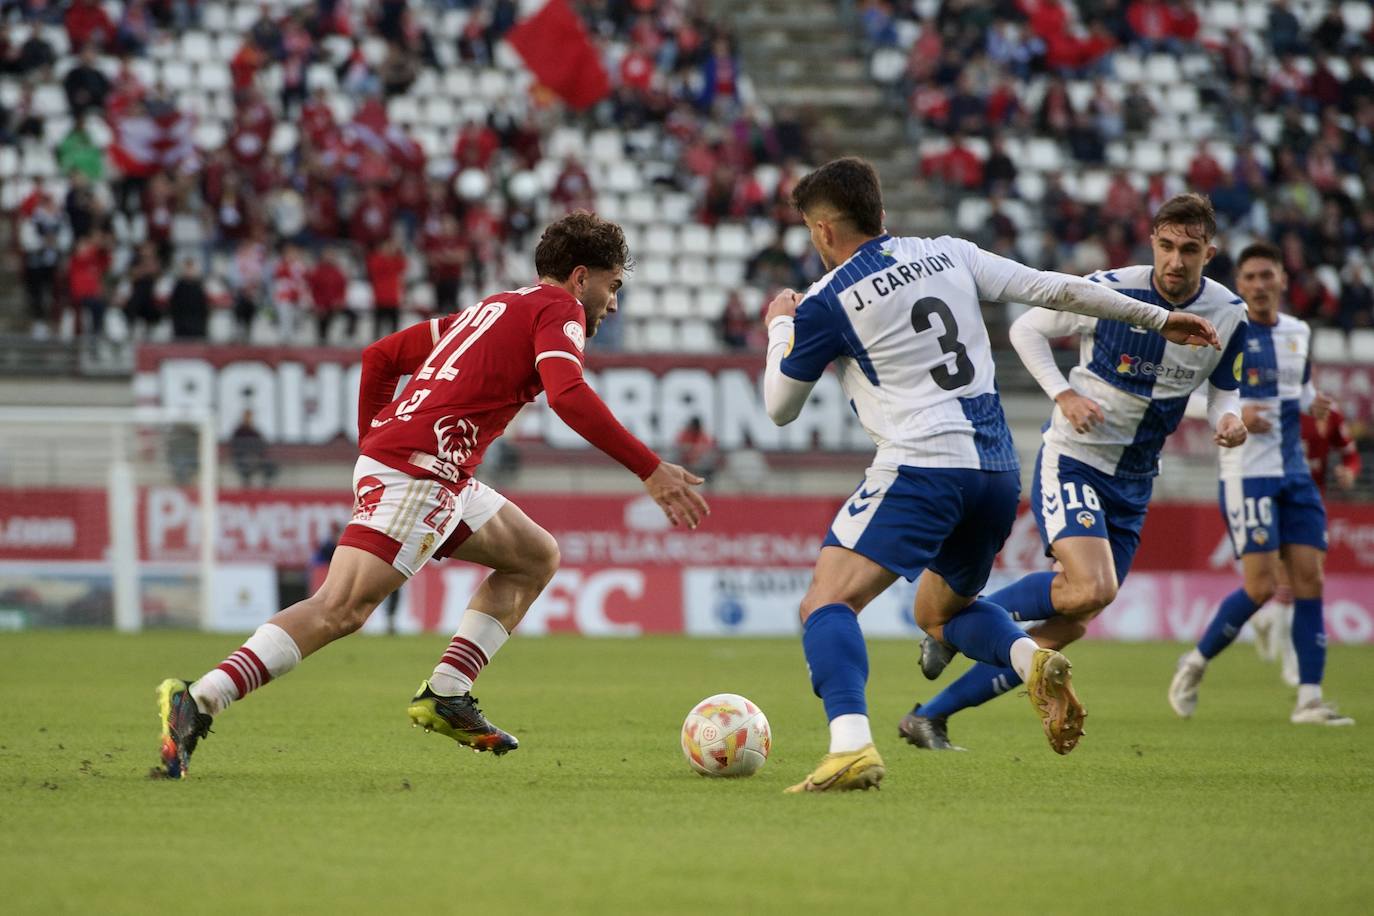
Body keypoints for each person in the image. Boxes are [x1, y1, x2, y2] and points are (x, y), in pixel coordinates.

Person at [155, 211, 709, 779]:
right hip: (420, 471)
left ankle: (447, 690)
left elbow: (380, 357)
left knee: (534, 556)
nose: (612, 304)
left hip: (428, 468)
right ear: (580, 276)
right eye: (612, 286)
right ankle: (201, 698)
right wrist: (649, 468)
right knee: (341, 608)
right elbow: (567, 394)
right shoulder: (559, 308)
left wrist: (372, 442)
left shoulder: (493, 308)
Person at [761, 159, 1220, 791]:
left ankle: (850, 746)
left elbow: (779, 409)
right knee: (939, 614)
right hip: (997, 472)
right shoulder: (949, 253)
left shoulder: (825, 300)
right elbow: (1057, 289)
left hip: (921, 466)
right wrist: (1159, 318)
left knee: (826, 601)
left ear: (821, 231)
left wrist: (779, 324)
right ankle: (1032, 660)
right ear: (882, 214)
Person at [903, 192, 1248, 752]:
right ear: (1152, 242)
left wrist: (1228, 420)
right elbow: (1026, 331)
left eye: (1190, 249)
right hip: (1075, 459)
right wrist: (1063, 393)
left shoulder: (1229, 315)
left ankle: (930, 716)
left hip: (1135, 480)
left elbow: (1224, 388)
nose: (1176, 261)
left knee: (1076, 617)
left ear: (1210, 251)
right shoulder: (1111, 290)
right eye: (1166, 246)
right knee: (1094, 586)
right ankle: (952, 617)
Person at [1169, 243, 1353, 726]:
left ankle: (1309, 698)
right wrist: (1238, 413)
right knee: (1261, 587)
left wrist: (1316, 404)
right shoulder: (1225, 328)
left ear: (1280, 281)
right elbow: (1182, 394)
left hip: (1295, 474)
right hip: (1246, 472)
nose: (1258, 284)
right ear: (1240, 283)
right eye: (1249, 277)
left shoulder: (1299, 332)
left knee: (1311, 579)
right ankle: (1195, 661)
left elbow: (1305, 390)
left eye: (1266, 275)